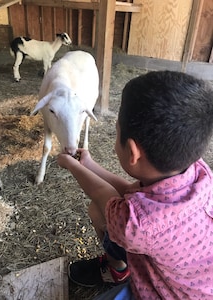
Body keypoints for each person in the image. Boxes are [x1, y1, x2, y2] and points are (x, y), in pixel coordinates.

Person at [57, 70, 213, 299]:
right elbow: (130, 195)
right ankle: (117, 270)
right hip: (194, 272)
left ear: (132, 152)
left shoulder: (137, 225)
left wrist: (71, 165)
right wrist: (89, 164)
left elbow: (106, 194)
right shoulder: (199, 171)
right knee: (97, 210)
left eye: (116, 132)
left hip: (165, 294)